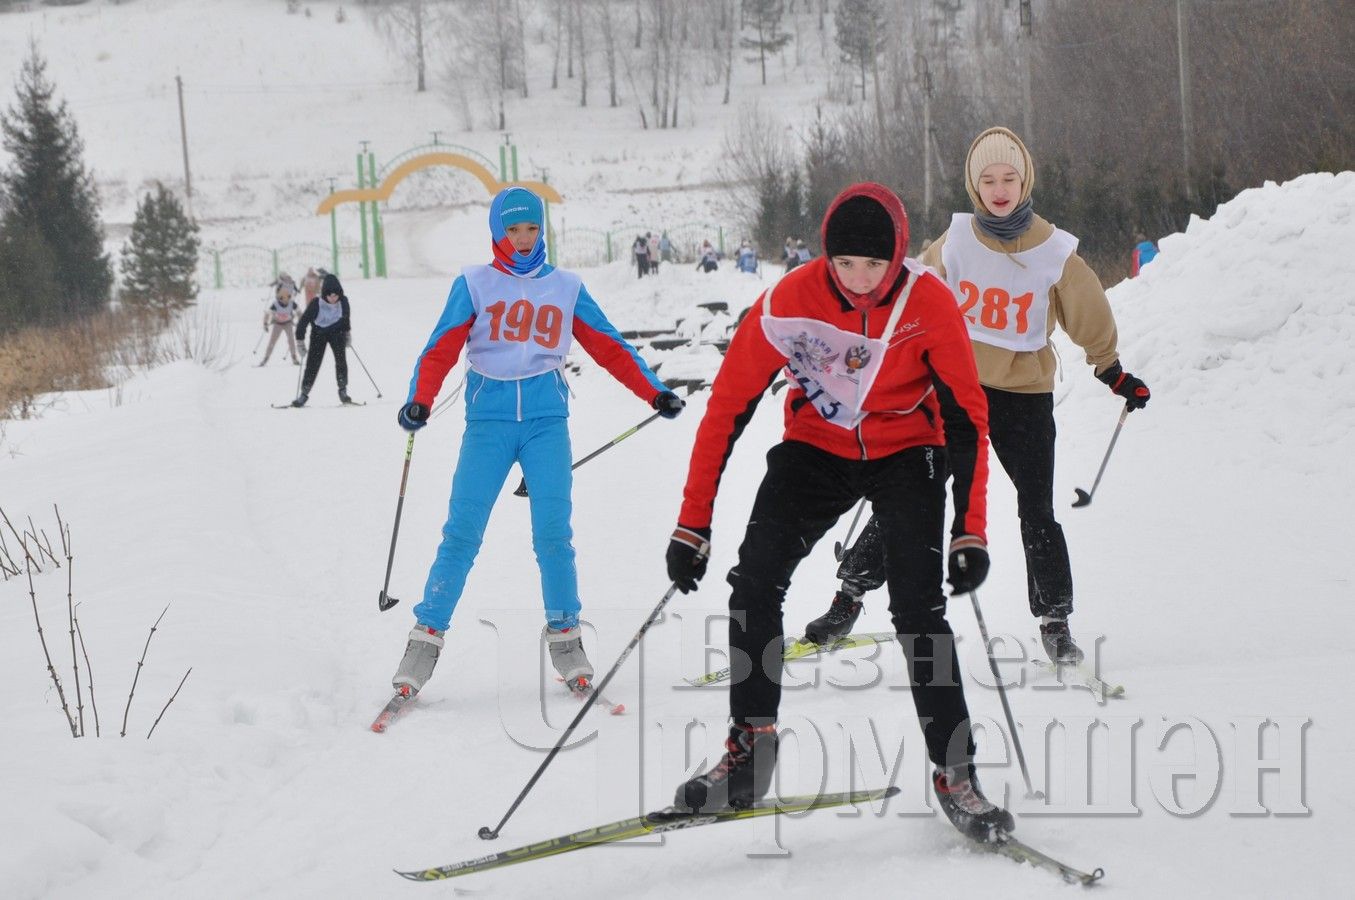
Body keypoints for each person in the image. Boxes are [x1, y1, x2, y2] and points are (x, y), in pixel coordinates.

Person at [664, 182, 1012, 842]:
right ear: (825, 256)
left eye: (873, 266)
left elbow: (967, 418)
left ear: (898, 257)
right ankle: (749, 747)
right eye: (844, 264)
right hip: (816, 447)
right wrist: (693, 522)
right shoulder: (787, 301)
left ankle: (954, 771)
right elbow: (726, 411)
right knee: (754, 579)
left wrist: (971, 528)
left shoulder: (926, 303)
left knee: (917, 608)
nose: (857, 281)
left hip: (908, 448)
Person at [802, 127, 1150, 666]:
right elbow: (914, 295)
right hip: (954, 390)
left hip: (1024, 398)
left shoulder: (1054, 251)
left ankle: (1055, 620)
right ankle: (847, 597)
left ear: (1024, 179)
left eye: (1009, 177)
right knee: (908, 493)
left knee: (1036, 508)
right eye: (988, 179)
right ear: (974, 185)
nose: (999, 188)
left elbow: (1090, 313)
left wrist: (1111, 369)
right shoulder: (957, 241)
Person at [389, 186, 686, 699]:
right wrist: (420, 399)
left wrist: (654, 393)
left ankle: (567, 639)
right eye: (514, 230)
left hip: (547, 422)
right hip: (489, 424)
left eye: (531, 230)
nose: (524, 240)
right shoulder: (475, 283)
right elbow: (440, 348)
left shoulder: (565, 287)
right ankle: (424, 641)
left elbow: (609, 346)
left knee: (553, 534)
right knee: (462, 532)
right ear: (498, 233)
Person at [292, 272, 353, 406]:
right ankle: (304, 393)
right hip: (318, 334)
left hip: (337, 333)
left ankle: (343, 390)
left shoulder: (343, 302)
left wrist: (347, 333)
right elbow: (303, 322)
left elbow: (346, 317)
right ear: (325, 293)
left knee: (341, 360)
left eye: (336, 295)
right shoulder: (316, 303)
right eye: (330, 295)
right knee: (313, 363)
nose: (333, 298)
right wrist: (300, 342)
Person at [258, 279, 302, 366]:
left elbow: (299, 312)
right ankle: (265, 358)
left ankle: (294, 358)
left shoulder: (292, 303)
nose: (285, 301)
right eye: (282, 298)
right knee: (272, 341)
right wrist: (265, 324)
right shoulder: (275, 304)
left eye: (288, 298)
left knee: (291, 340)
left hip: (288, 323)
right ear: (279, 297)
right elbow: (268, 314)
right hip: (277, 324)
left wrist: (300, 322)